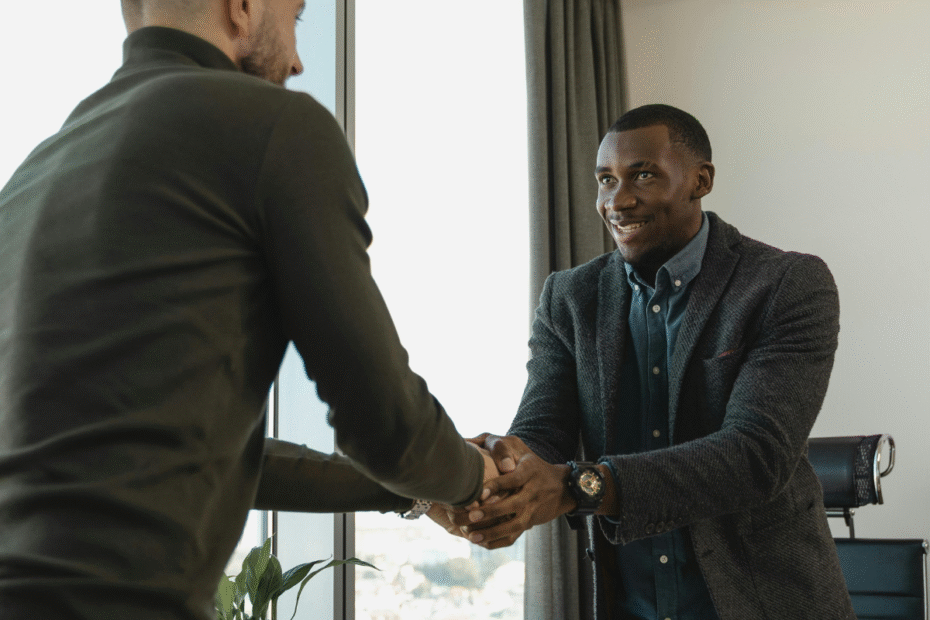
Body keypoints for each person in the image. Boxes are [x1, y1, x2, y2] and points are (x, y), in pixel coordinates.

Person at [0, 1, 495, 619]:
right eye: (296, 17)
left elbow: (204, 454)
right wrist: (478, 478)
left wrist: (411, 496)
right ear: (243, 6)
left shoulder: (34, 174)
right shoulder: (275, 127)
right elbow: (385, 424)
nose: (296, 58)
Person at [449, 104, 855, 618]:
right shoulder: (569, 297)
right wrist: (488, 470)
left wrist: (582, 486)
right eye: (605, 180)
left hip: (766, 601)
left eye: (642, 175)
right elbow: (543, 432)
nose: (617, 201)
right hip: (632, 605)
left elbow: (755, 455)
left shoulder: (785, 285)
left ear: (700, 180)